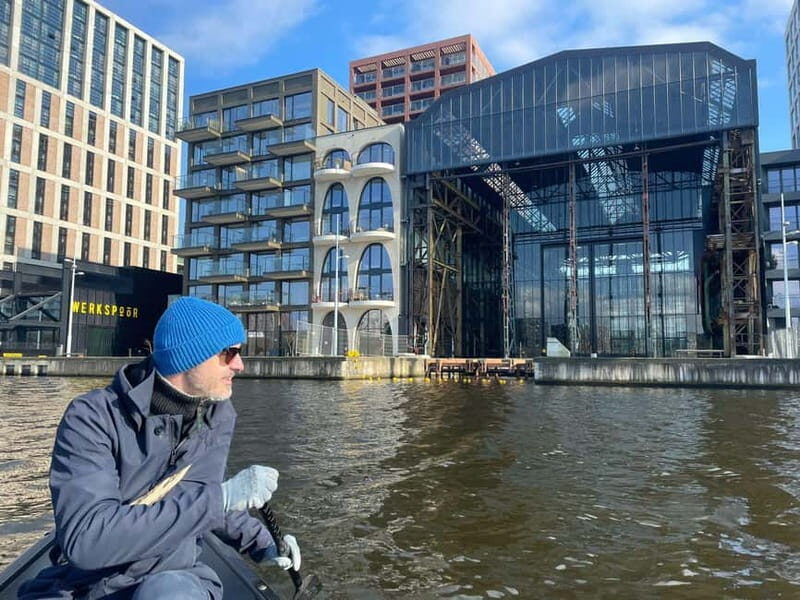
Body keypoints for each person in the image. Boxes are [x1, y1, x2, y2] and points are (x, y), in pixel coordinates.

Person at [20, 296, 300, 599]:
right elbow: (87, 541)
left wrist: (262, 542)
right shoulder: (91, 417)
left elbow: (197, 492)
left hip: (171, 576)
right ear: (190, 355)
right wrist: (221, 498)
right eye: (229, 353)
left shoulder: (216, 415)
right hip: (80, 583)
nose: (240, 364)